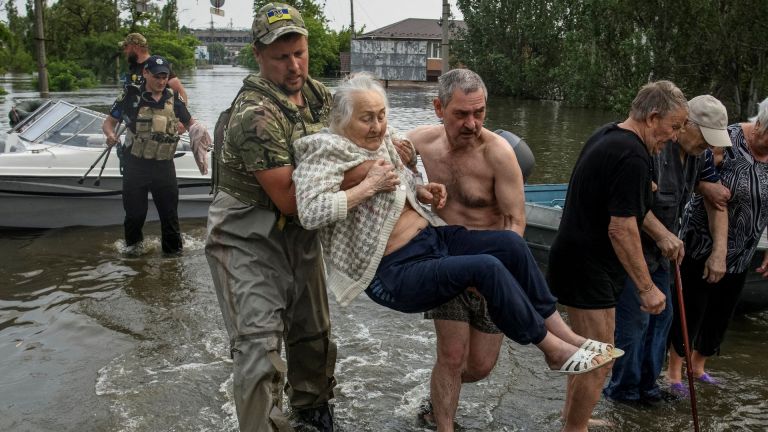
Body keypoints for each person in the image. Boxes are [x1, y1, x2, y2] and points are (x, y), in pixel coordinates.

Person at [292, 73, 619, 391]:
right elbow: (310, 212)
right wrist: (367, 186)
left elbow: (396, 186)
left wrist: (421, 191)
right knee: (485, 270)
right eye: (367, 118)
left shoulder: (385, 143)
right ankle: (553, 350)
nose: (378, 126)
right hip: (394, 271)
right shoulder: (326, 151)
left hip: (433, 241)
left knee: (509, 245)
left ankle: (566, 336)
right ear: (343, 120)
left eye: (381, 116)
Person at [204, 3, 336, 431]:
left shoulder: (318, 96)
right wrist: (368, 179)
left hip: (301, 236)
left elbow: (362, 138)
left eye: (299, 52)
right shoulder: (253, 116)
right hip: (247, 237)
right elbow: (293, 199)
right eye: (281, 57)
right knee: (258, 351)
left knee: (314, 337)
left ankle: (313, 415)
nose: (294, 65)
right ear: (258, 56)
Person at [547, 80, 683, 432]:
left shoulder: (610, 135)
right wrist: (647, 287)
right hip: (587, 267)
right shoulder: (632, 154)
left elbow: (617, 192)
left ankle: (571, 418)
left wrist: (642, 187)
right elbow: (621, 229)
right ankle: (574, 430)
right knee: (600, 360)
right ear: (653, 118)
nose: (674, 136)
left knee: (586, 354)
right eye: (673, 127)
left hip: (576, 259)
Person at [405, 69, 524, 431]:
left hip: (491, 268)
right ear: (439, 107)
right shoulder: (419, 142)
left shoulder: (499, 154)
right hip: (447, 263)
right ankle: (443, 423)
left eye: (480, 112)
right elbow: (374, 150)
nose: (472, 123)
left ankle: (437, 395)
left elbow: (516, 222)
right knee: (452, 357)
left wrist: (495, 273)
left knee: (480, 366)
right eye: (461, 114)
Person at [603, 95, 732, 405]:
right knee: (635, 322)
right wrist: (662, 234)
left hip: (664, 256)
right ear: (686, 125)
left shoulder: (699, 156)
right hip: (635, 250)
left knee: (663, 318)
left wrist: (719, 252)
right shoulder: (655, 148)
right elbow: (628, 204)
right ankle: (623, 393)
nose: (709, 147)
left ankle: (648, 388)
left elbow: (715, 200)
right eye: (705, 137)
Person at [667, 97, 768, 391]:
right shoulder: (728, 138)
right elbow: (694, 170)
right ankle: (674, 372)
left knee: (721, 310)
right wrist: (706, 186)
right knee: (692, 304)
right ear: (760, 124)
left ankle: (697, 367)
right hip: (702, 238)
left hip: (745, 245)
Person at [102, 55, 197, 254]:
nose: (161, 81)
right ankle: (134, 260)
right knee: (135, 216)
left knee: (170, 217)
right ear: (145, 73)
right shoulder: (130, 97)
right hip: (136, 165)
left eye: (164, 77)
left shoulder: (173, 98)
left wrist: (199, 134)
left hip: (164, 166)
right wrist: (111, 135)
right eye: (157, 77)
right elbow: (109, 123)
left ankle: (173, 263)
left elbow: (191, 124)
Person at [119, 32, 188, 103]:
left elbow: (180, 92)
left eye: (126, 47)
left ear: (135, 47)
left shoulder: (157, 65)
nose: (125, 51)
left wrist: (181, 112)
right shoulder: (134, 67)